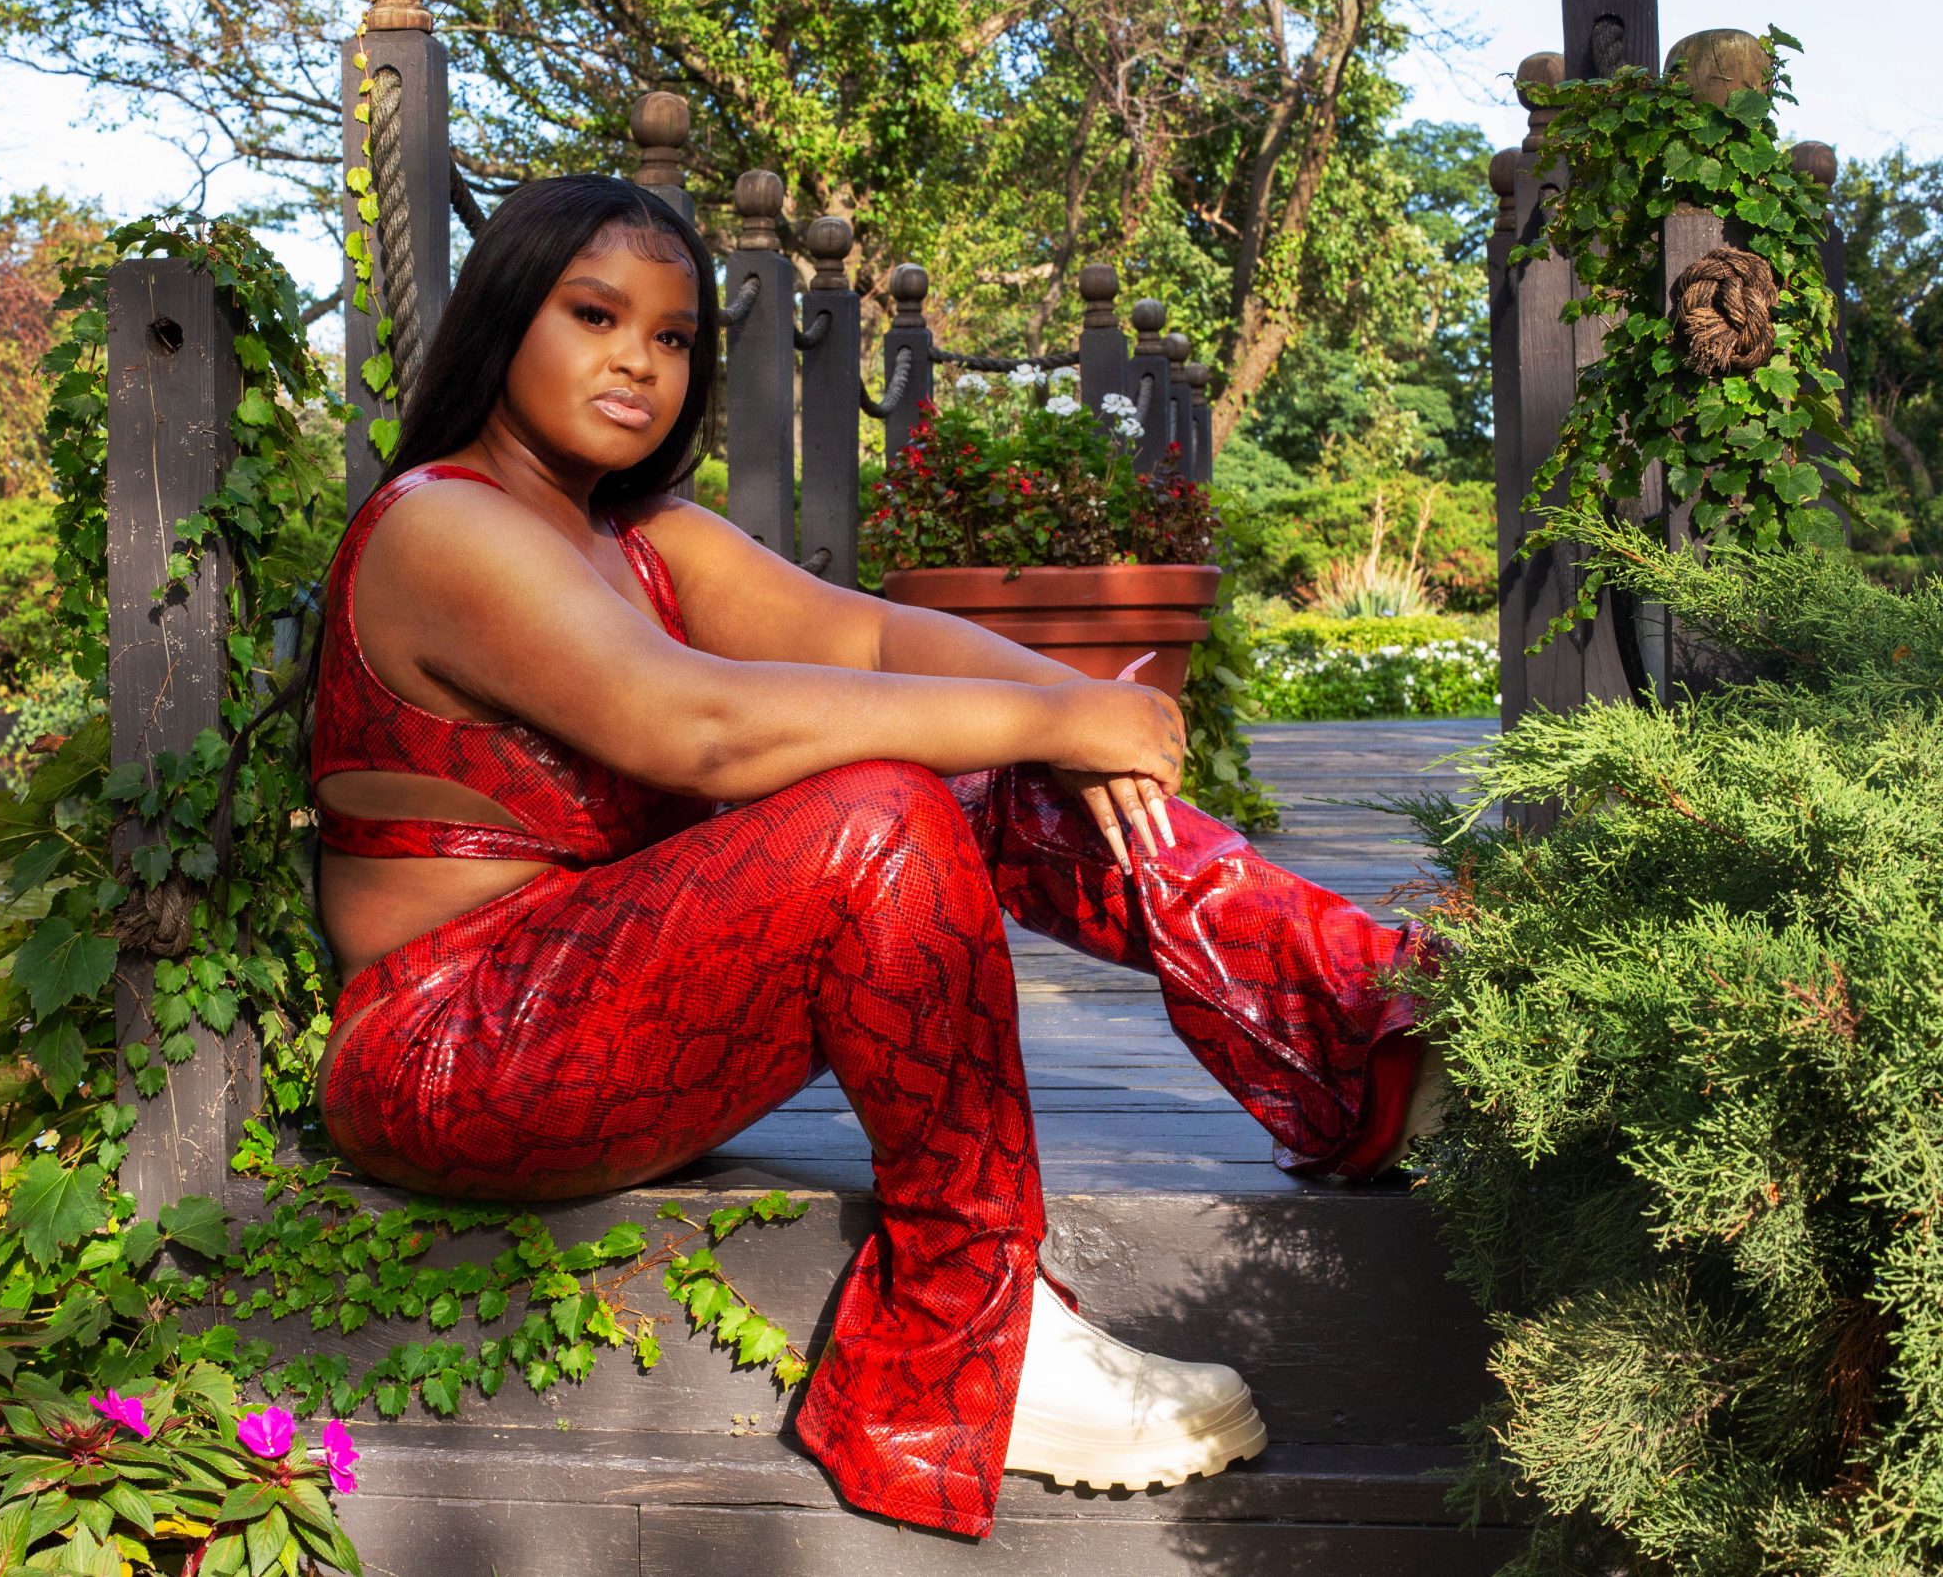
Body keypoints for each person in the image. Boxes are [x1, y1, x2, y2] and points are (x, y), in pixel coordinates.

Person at [309, 174, 1446, 1540]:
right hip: (460, 1054)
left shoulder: (643, 539)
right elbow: (702, 728)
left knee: (996, 775)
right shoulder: (446, 526)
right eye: (595, 315)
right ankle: (977, 1327)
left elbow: (873, 641)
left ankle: (1381, 1027)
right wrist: (1051, 710)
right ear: (504, 322)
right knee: (880, 814)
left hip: (624, 1007)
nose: (637, 360)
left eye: (674, 339)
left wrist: (1084, 718)